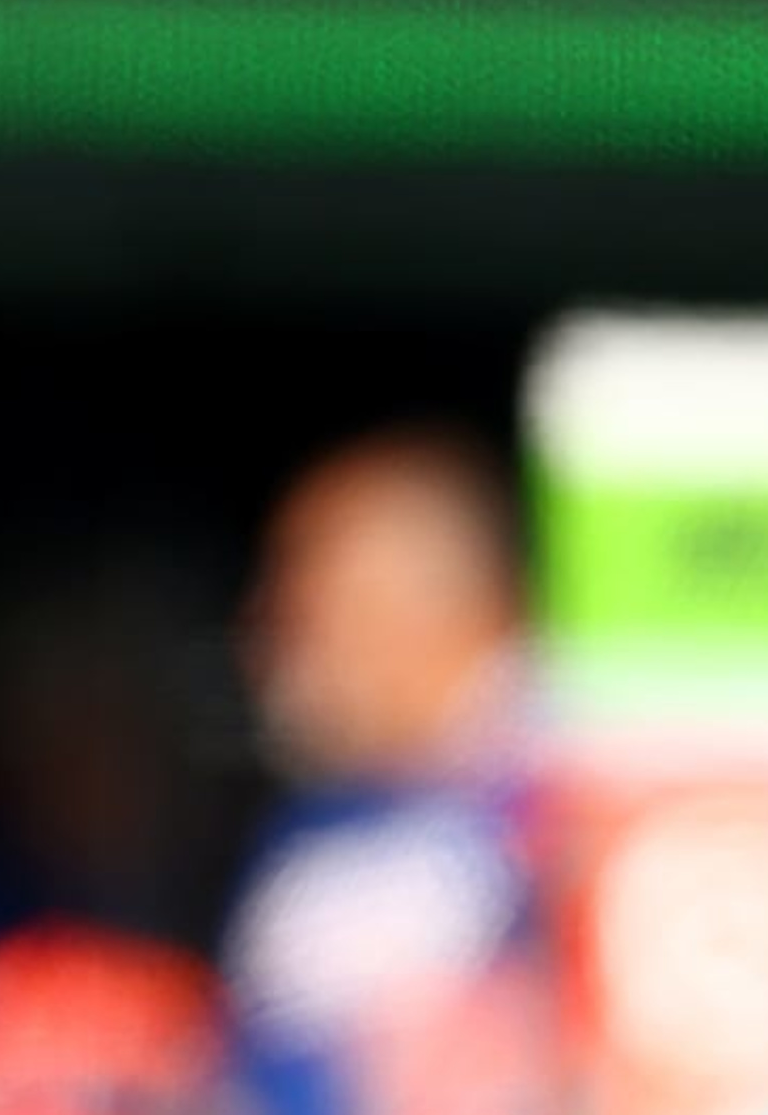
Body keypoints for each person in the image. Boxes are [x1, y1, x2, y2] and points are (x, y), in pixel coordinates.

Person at [219, 425, 554, 1115]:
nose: (269, 654)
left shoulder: (616, 790)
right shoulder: (336, 821)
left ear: (414, 603)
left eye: (301, 609)